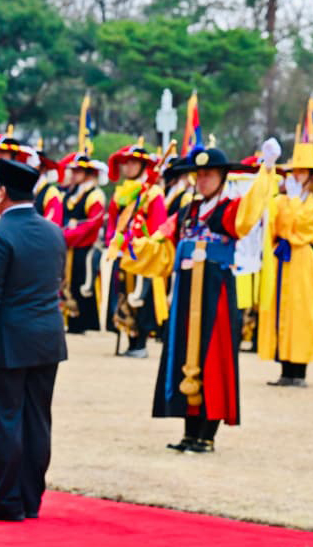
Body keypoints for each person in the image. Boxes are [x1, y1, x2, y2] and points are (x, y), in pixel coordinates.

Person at [121, 140, 280, 453]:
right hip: (184, 294)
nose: (204, 180)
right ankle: (189, 431)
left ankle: (207, 433)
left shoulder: (229, 208)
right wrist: (128, 243)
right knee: (182, 355)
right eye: (199, 174)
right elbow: (161, 245)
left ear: (222, 177)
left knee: (213, 357)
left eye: (210, 174)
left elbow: (252, 210)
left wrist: (268, 169)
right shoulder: (187, 212)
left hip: (214, 293)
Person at [0, 159, 67, 522]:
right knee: (37, 421)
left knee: (6, 421)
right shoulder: (53, 230)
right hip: (47, 338)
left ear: (2, 191)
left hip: (8, 341)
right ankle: (30, 498)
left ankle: (7, 500)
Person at [258, 140, 313, 387]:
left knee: (300, 311)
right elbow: (275, 227)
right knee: (281, 308)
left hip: (301, 258)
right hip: (282, 258)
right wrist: (288, 202)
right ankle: (285, 367)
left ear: (311, 174)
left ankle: (299, 368)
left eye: (301, 171)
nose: (296, 176)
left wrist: (294, 203)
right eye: (294, 171)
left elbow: (302, 230)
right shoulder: (282, 199)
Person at [104, 143, 167, 358]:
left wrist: (141, 245)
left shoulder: (153, 193)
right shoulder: (120, 193)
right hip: (122, 252)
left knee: (140, 296)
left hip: (141, 253)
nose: (128, 167)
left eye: (133, 163)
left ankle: (140, 342)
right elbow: (113, 222)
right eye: (126, 163)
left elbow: (158, 224)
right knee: (123, 295)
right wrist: (113, 241)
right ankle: (129, 338)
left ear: (142, 165)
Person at [61, 153, 108, 334]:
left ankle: (84, 322)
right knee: (69, 282)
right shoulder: (73, 192)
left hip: (85, 245)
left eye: (78, 171)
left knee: (83, 282)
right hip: (71, 244)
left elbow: (92, 223)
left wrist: (68, 235)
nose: (74, 174)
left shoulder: (94, 194)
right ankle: (71, 320)